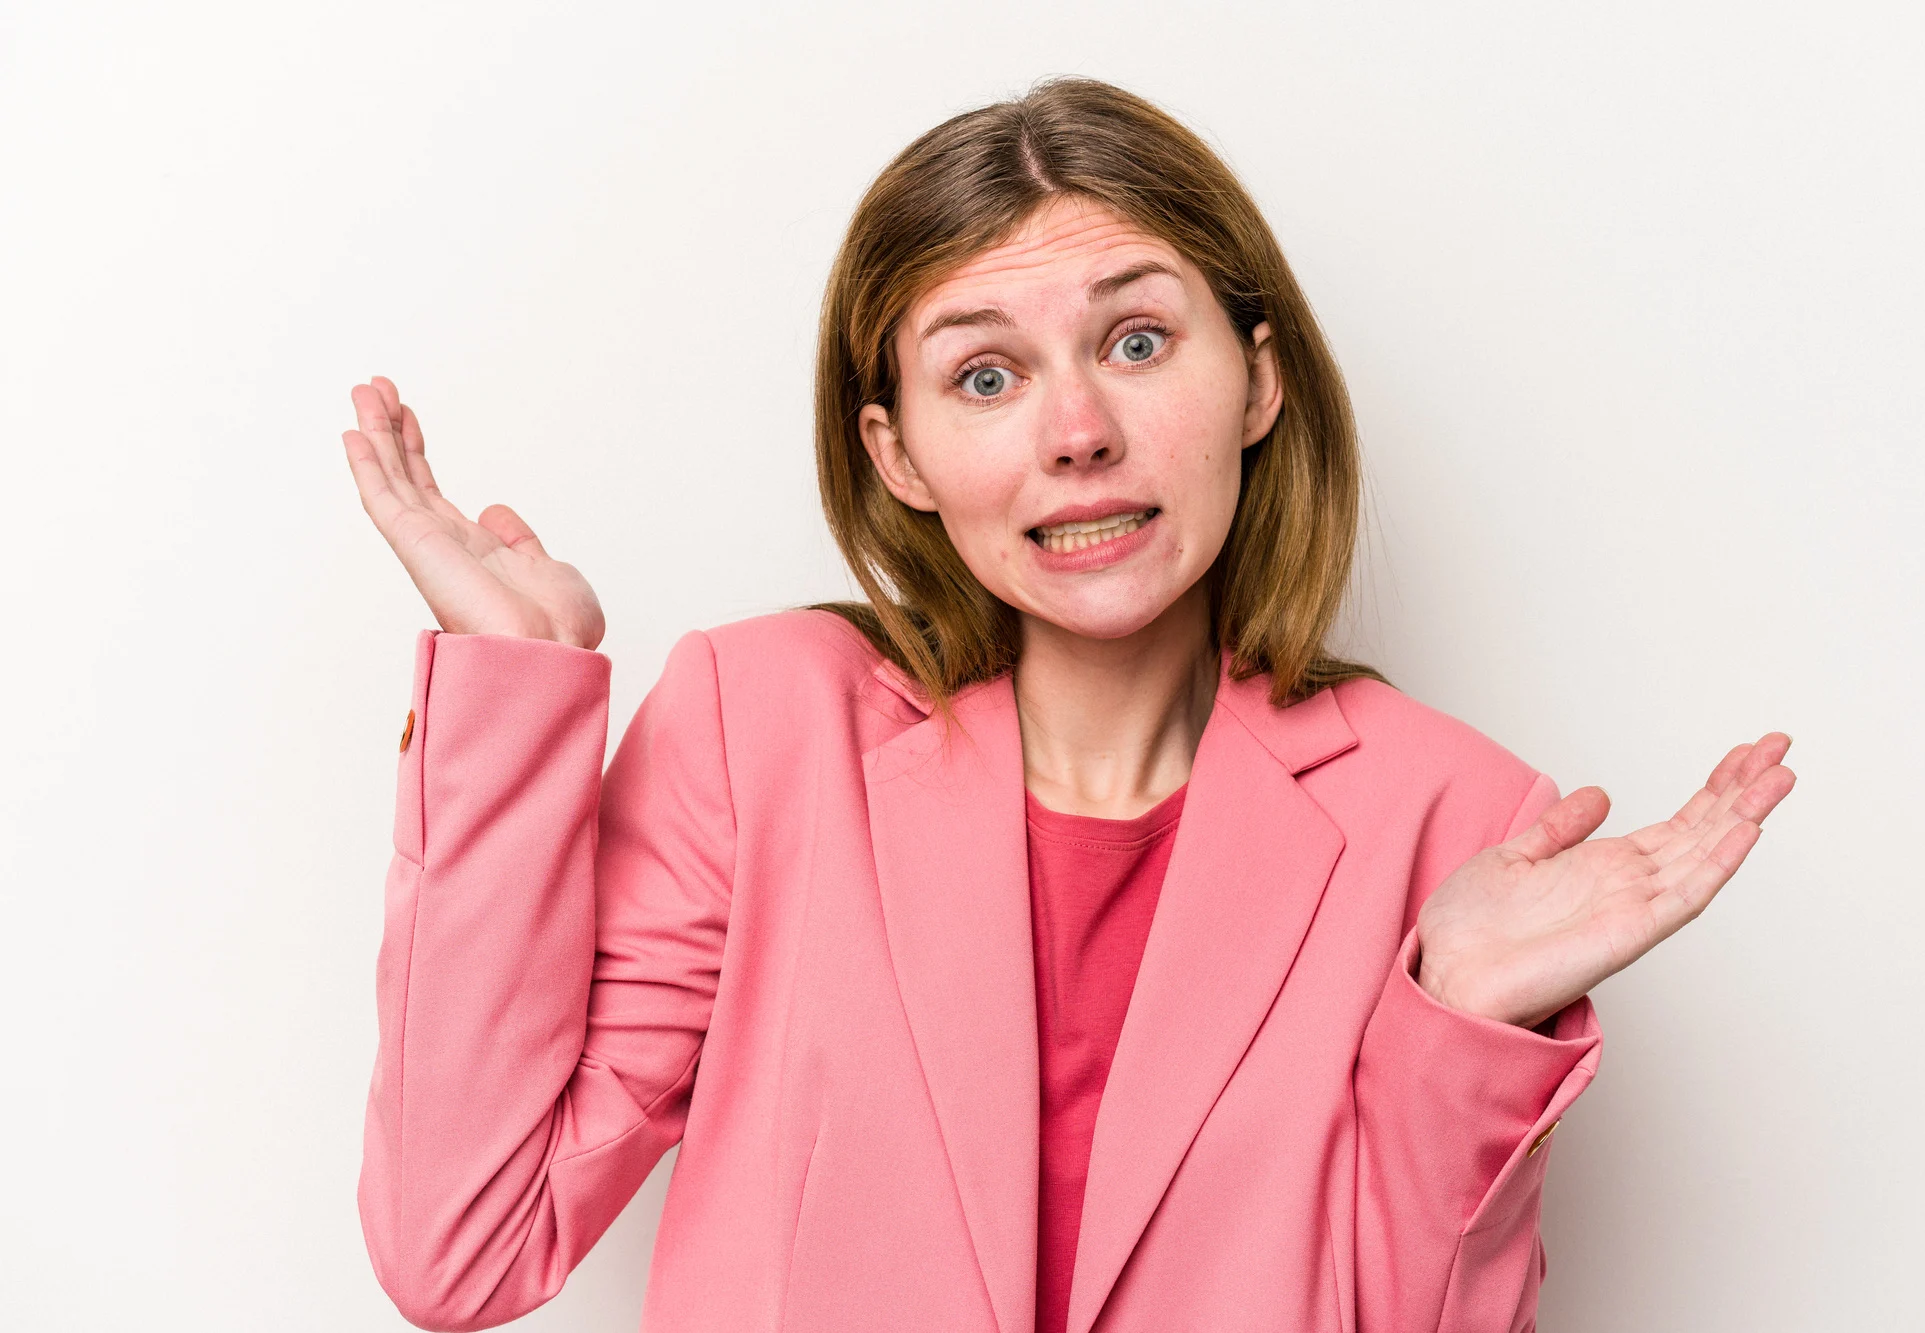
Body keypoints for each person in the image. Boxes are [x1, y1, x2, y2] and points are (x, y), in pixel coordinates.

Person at [341, 77, 1795, 1333]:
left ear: (1259, 381)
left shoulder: (1459, 824)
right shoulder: (761, 726)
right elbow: (462, 1249)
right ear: (897, 453)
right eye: (985, 375)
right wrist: (514, 698)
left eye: (1140, 342)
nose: (1080, 432)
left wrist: (1464, 1029)